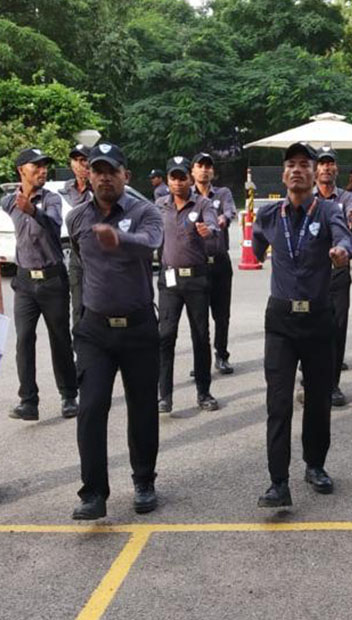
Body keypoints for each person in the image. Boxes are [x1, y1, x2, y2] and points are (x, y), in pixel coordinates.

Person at [253, 142, 352, 508]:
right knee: (279, 402)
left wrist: (342, 252)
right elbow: (257, 244)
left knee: (318, 399)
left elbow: (345, 237)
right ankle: (278, 482)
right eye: (291, 164)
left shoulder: (328, 210)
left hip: (317, 318)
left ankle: (315, 465)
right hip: (281, 320)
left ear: (315, 174)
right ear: (284, 174)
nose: (297, 170)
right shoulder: (269, 214)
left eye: (304, 164)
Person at [66, 142, 163, 519]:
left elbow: (152, 243)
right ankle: (93, 493)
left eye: (112, 171)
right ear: (88, 175)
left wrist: (120, 239)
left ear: (126, 175)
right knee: (91, 408)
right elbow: (80, 260)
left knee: (142, 408)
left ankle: (144, 481)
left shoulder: (145, 212)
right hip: (95, 331)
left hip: (138, 328)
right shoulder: (77, 217)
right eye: (98, 171)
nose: (104, 177)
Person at [2, 148, 78, 421]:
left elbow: (54, 224)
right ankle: (28, 401)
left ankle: (69, 396)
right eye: (37, 166)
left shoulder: (51, 199)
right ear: (21, 170)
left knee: (60, 339)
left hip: (52, 281)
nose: (43, 171)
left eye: (45, 166)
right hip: (24, 282)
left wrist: (33, 211)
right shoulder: (9, 201)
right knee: (24, 340)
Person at [155, 156, 220, 414]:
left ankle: (204, 392)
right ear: (168, 180)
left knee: (200, 336)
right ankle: (164, 395)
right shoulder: (160, 206)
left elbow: (214, 225)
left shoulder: (203, 204)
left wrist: (209, 231)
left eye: (182, 177)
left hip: (196, 279)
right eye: (174, 177)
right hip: (169, 280)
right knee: (165, 336)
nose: (178, 182)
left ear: (190, 179)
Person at [314, 146, 352, 406]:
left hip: (338, 273)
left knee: (337, 328)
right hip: (311, 275)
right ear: (315, 169)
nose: (326, 167)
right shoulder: (307, 198)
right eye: (322, 163)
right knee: (311, 327)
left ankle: (332, 385)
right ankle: (311, 378)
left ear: (336, 169)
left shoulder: (346, 198)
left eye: (330, 163)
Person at [191, 152, 237, 374]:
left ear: (213, 171)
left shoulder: (222, 193)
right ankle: (201, 361)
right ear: (192, 171)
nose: (204, 170)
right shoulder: (187, 196)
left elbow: (229, 211)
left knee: (221, 314)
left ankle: (222, 354)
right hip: (196, 262)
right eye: (200, 166)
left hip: (219, 261)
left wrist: (223, 218)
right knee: (198, 317)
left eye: (208, 166)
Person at [61, 144, 93, 324]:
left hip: (98, 255)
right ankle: (80, 340)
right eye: (76, 160)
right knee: (78, 306)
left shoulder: (100, 186)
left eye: (83, 160)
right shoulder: (67, 189)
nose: (80, 165)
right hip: (76, 255)